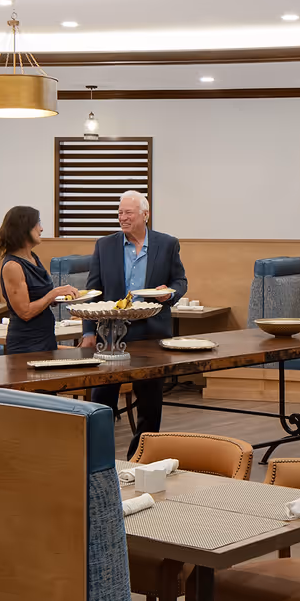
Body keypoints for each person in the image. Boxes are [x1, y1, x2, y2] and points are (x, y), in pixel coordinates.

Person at [82, 190, 188, 454]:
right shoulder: (104, 245)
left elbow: (180, 282)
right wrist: (88, 331)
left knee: (150, 402)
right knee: (102, 399)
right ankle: (97, 456)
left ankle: (141, 457)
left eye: (128, 212)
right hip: (110, 336)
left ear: (145, 214)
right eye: (119, 213)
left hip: (152, 334)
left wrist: (170, 293)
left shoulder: (167, 244)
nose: (122, 217)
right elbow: (93, 292)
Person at [0, 205, 81, 355]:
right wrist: (53, 294)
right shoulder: (12, 266)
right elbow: (25, 312)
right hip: (26, 343)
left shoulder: (33, 258)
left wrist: (60, 297)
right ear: (24, 228)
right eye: (38, 224)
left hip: (46, 337)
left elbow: (41, 297)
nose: (41, 229)